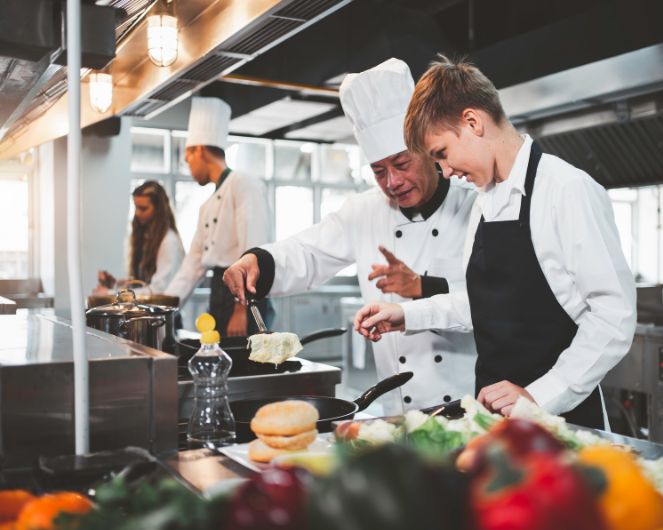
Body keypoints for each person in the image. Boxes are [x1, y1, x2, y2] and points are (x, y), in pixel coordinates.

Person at [354, 56, 636, 429]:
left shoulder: (566, 189)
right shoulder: (485, 202)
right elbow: (487, 305)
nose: (446, 171)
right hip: (494, 417)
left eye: (442, 154)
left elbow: (614, 316)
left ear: (473, 122)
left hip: (563, 420)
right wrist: (408, 315)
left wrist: (539, 395)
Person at [223, 58, 478, 416]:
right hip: (397, 408)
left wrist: (422, 286)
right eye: (378, 171)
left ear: (427, 147)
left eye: (401, 164)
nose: (392, 182)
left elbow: (490, 302)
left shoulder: (474, 206)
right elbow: (308, 252)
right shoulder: (364, 210)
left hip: (466, 404)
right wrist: (256, 262)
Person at [164, 97, 271, 337]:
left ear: (199, 150)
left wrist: (242, 308)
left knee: (243, 358)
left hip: (244, 296)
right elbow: (192, 265)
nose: (189, 169)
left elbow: (253, 246)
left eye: (188, 160)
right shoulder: (208, 205)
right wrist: (163, 308)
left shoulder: (242, 182)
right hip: (220, 292)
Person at [94, 180, 184, 295]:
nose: (137, 213)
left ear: (159, 209)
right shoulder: (146, 237)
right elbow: (142, 285)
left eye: (143, 208)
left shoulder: (168, 241)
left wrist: (110, 294)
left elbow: (158, 290)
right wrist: (116, 284)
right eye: (136, 207)